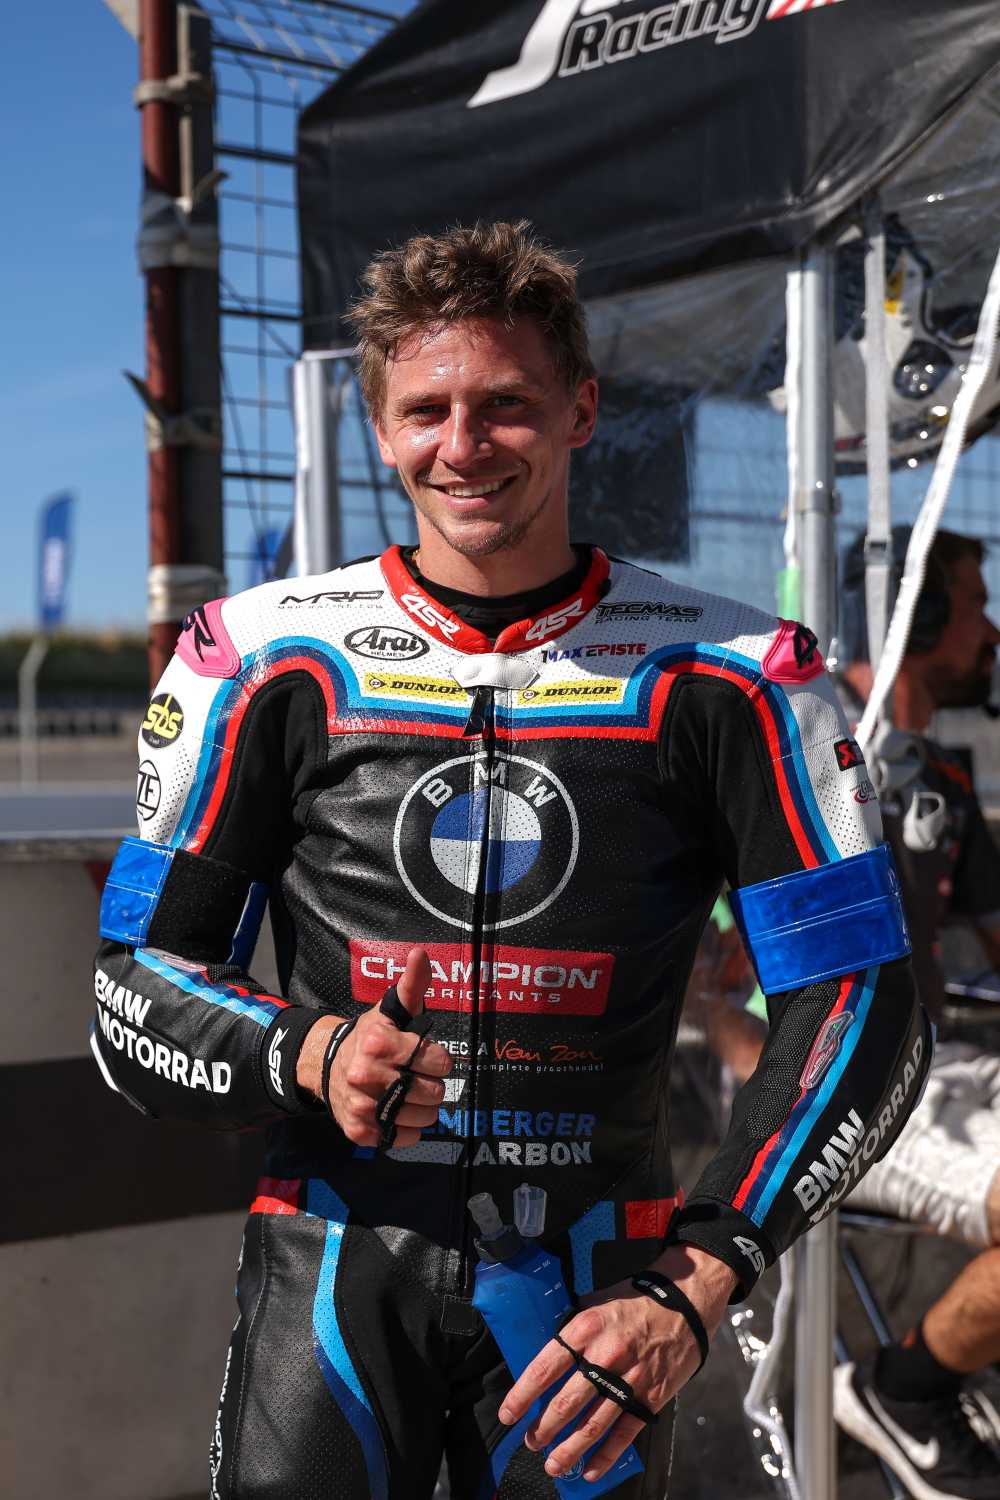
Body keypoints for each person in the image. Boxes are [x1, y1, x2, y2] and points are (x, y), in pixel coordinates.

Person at [91, 221, 927, 1500]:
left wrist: (699, 1281)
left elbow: (864, 1002)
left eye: (506, 405)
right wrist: (305, 1054)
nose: (463, 445)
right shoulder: (259, 659)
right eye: (426, 410)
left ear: (582, 409)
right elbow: (130, 985)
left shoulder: (739, 675)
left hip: (600, 1298)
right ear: (379, 427)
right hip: (334, 1266)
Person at [826, 526, 1000, 1500]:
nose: (994, 633)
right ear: (918, 615)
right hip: (842, 1087)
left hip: (945, 1067)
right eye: (976, 608)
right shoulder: (803, 751)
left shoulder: (944, 775)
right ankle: (907, 1390)